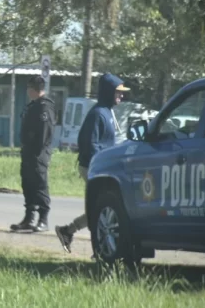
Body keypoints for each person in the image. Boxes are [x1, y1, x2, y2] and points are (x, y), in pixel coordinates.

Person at [55, 73, 130, 252]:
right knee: (102, 208)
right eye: (118, 92)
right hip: (92, 167)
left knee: (101, 207)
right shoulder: (98, 114)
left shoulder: (108, 112)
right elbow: (88, 142)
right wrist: (100, 164)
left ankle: (67, 231)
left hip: (104, 168)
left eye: (122, 92)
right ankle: (101, 249)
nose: (121, 96)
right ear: (108, 92)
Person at [10, 76, 55, 233]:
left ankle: (43, 220)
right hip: (28, 153)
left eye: (29, 88)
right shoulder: (33, 106)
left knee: (39, 186)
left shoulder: (44, 108)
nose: (27, 91)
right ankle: (28, 219)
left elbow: (43, 135)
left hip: (38, 154)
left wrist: (36, 154)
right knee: (28, 185)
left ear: (34, 89)